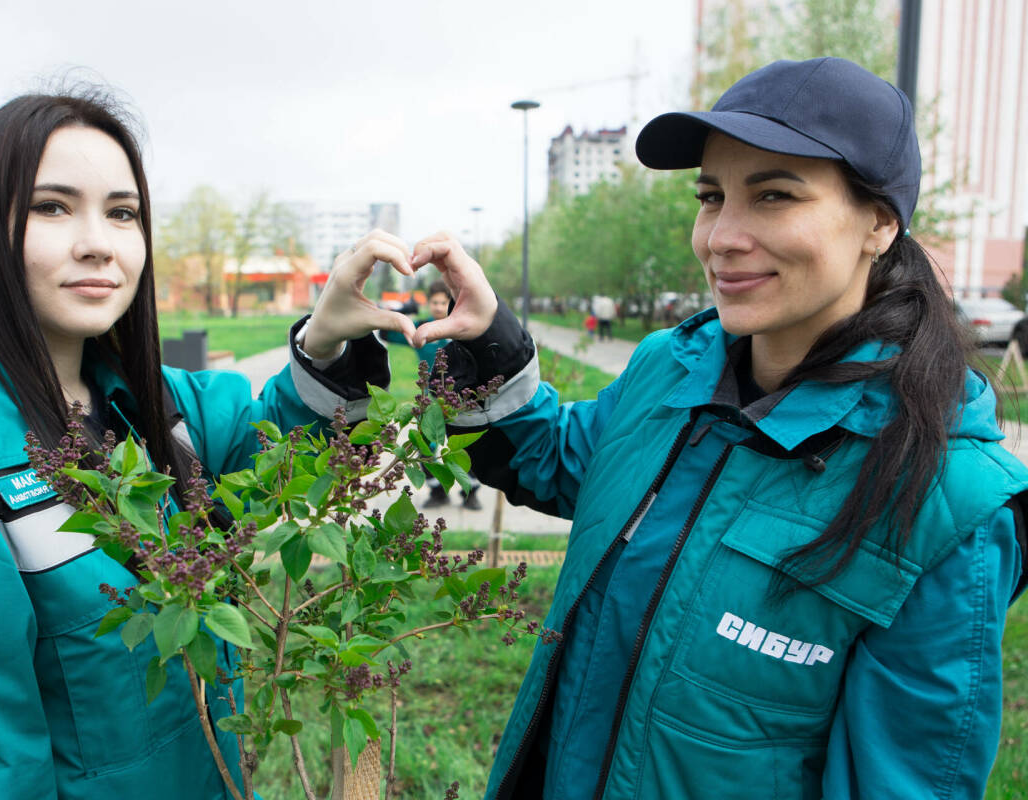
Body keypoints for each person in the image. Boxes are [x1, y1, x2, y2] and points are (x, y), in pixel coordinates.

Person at [387, 58, 1028, 798]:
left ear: (879, 222)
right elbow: (561, 462)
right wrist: (488, 336)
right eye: (711, 196)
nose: (721, 236)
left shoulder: (947, 502)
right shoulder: (668, 369)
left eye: (775, 195)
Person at [0, 89, 414, 799]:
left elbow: (290, 455)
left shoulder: (159, 406)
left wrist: (325, 340)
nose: (98, 242)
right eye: (52, 206)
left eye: (122, 212)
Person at [381, 280, 483, 509]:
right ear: (429, 302)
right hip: (429, 397)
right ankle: (437, 492)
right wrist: (404, 312)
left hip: (461, 397)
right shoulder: (421, 327)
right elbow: (386, 332)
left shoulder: (460, 328)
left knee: (466, 445)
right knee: (425, 444)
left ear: (451, 303)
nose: (438, 307)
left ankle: (471, 492)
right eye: (435, 302)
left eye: (443, 302)